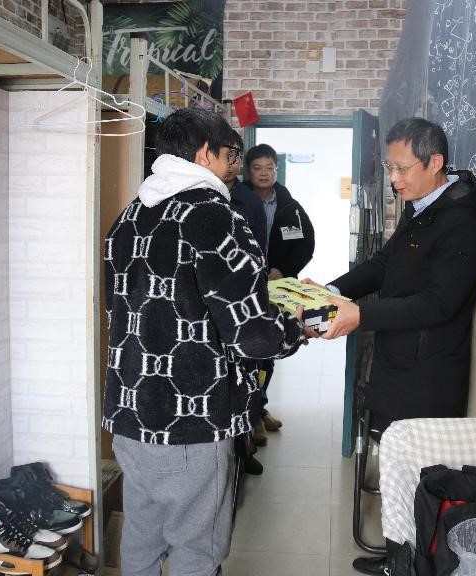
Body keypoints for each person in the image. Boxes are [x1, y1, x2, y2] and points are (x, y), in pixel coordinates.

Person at [102, 108, 306, 576]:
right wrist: (297, 326)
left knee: (142, 538)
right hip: (191, 417)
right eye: (231, 154)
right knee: (197, 549)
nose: (235, 165)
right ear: (202, 153)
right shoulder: (213, 216)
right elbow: (253, 336)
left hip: (130, 413)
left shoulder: (130, 216)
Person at [308, 117, 476, 576]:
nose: (394, 179)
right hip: (398, 361)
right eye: (389, 168)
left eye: (402, 168)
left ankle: (415, 565)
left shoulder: (463, 222)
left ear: (435, 162)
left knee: (421, 474)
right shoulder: (422, 208)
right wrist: (331, 291)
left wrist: (361, 315)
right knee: (395, 464)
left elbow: (439, 303)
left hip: (428, 374)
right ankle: (398, 558)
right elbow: (382, 265)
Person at [244, 144, 316, 439]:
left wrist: (282, 270)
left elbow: (306, 245)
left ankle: (260, 410)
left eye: (269, 167)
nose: (264, 173)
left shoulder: (290, 207)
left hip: (277, 288)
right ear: (248, 171)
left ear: (276, 169)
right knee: (245, 351)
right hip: (243, 286)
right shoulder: (238, 201)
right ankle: (249, 416)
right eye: (257, 168)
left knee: (269, 348)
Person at [223, 129, 267, 475]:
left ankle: (245, 446)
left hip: (243, 300)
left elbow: (258, 255)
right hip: (210, 306)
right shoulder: (200, 197)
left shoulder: (250, 203)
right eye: (227, 155)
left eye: (236, 156)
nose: (232, 163)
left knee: (246, 376)